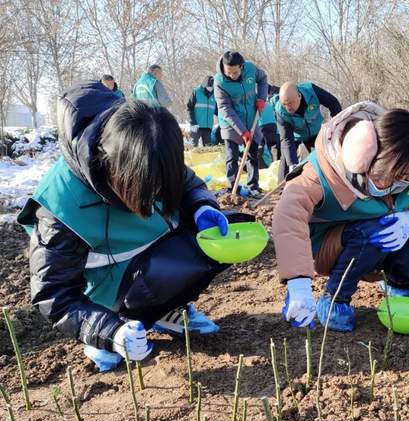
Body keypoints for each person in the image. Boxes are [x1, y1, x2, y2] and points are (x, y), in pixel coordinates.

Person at [17, 81, 252, 372]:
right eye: (149, 186)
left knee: (220, 236)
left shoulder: (146, 142)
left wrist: (202, 206)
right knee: (168, 267)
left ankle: (165, 310)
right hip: (107, 292)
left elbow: (186, 182)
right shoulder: (61, 206)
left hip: (149, 260)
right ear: (120, 172)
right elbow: (54, 294)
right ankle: (118, 326)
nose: (159, 191)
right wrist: (107, 331)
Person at [273, 102, 409, 332]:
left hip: (376, 245)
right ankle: (335, 297)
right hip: (330, 249)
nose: (393, 186)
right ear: (365, 155)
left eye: (404, 178)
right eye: (385, 176)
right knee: (376, 229)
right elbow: (287, 215)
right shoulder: (321, 172)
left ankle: (402, 284)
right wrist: (298, 283)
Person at [214, 51, 268, 197]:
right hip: (230, 122)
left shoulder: (251, 69)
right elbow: (225, 108)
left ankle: (253, 186)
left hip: (251, 117)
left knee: (253, 153)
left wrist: (262, 98)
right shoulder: (219, 82)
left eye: (235, 72)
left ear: (242, 67)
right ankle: (234, 187)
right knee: (232, 155)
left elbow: (263, 79)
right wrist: (242, 131)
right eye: (228, 72)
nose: (232, 75)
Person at [272, 81, 342, 181]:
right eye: (285, 104)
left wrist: (336, 123)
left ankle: (329, 183)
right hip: (295, 136)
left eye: (291, 103)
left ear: (299, 96)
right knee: (287, 161)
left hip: (315, 132)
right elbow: (287, 139)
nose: (288, 107)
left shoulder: (312, 91)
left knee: (324, 158)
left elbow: (333, 103)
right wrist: (292, 164)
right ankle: (282, 191)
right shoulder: (280, 111)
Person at [187, 75, 217, 147]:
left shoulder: (214, 95)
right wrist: (193, 122)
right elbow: (189, 108)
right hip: (196, 126)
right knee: (193, 148)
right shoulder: (196, 92)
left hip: (208, 127)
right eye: (208, 87)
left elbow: (217, 111)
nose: (210, 89)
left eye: (212, 87)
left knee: (208, 149)